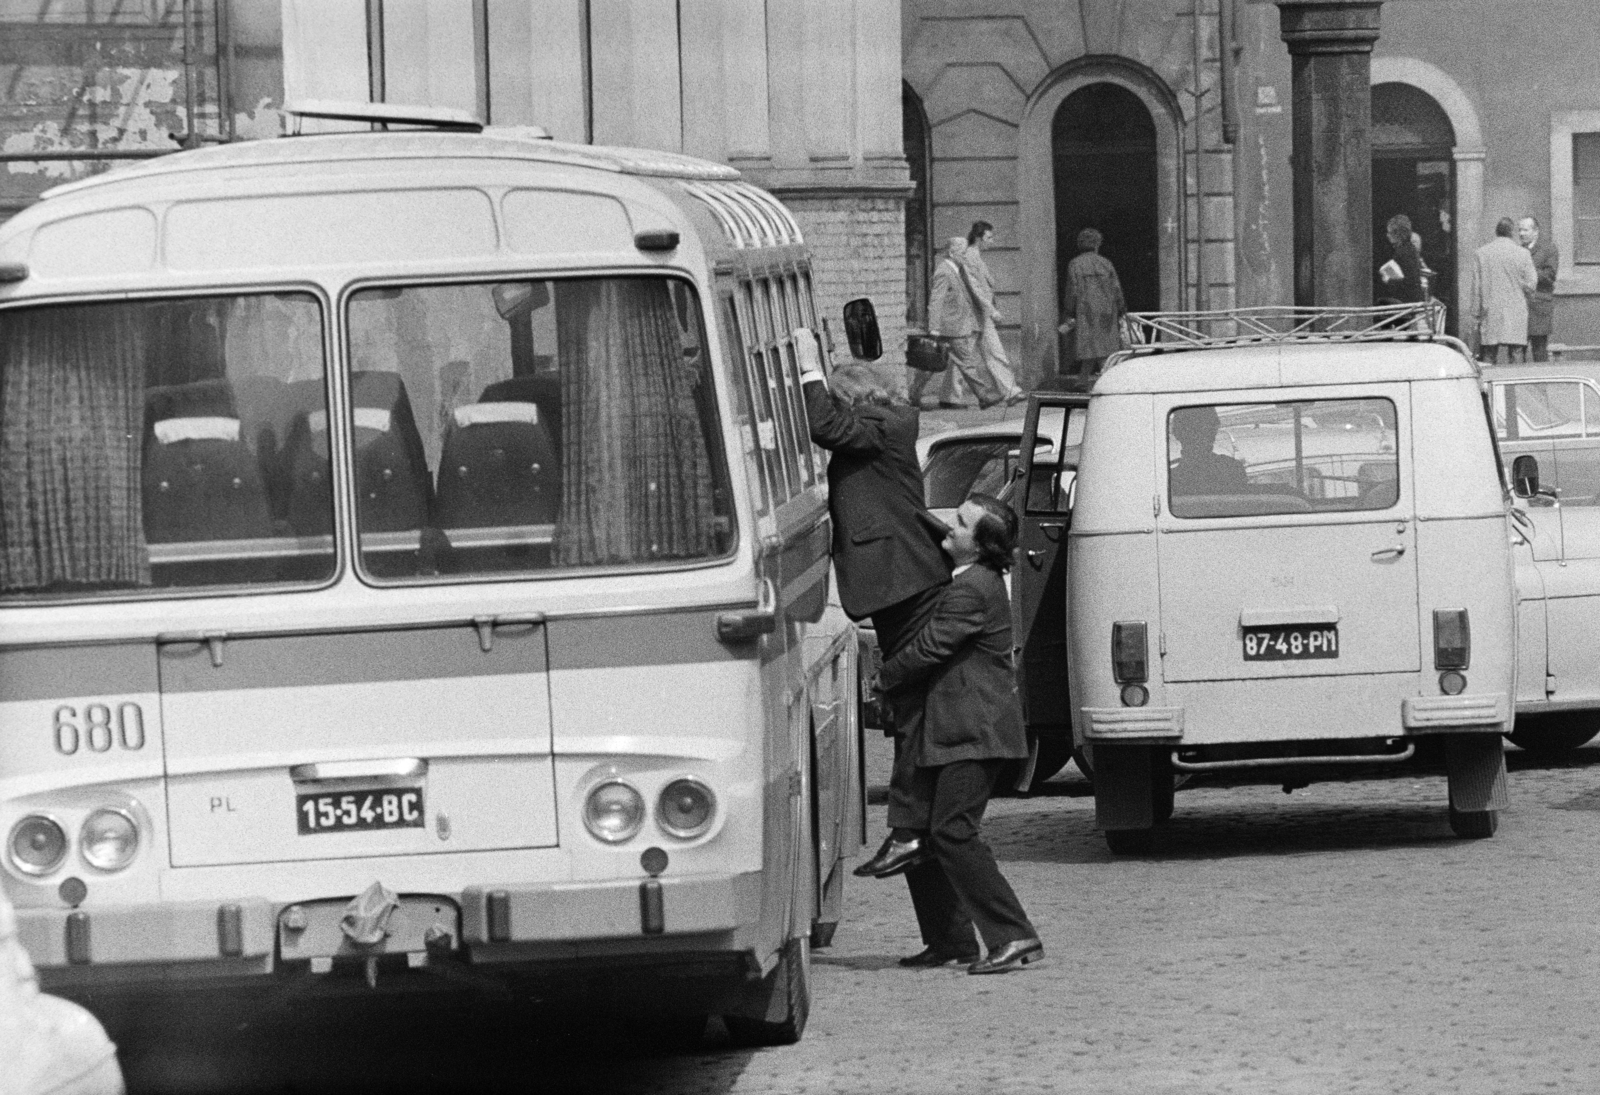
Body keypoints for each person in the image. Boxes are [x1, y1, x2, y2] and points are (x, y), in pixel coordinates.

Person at [877, 492, 1043, 975]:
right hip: (961, 731)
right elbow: (936, 531)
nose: (950, 526)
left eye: (962, 524)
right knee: (934, 832)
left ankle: (1013, 935)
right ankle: (952, 943)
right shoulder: (978, 578)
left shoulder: (972, 589)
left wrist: (883, 676)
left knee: (952, 833)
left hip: (977, 733)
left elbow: (930, 647)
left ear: (980, 544)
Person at [799, 362, 952, 875]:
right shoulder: (881, 427)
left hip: (905, 579)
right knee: (908, 716)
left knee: (912, 715)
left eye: (844, 400)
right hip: (897, 582)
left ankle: (909, 829)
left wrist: (807, 372)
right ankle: (912, 835)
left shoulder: (883, 425)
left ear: (857, 398)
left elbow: (824, 424)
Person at [909, 237, 1007, 410]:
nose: (965, 256)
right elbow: (936, 300)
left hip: (956, 326)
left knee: (930, 365)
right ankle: (983, 397)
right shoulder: (944, 272)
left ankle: (912, 395)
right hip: (951, 327)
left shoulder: (957, 269)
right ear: (952, 253)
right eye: (962, 253)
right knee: (965, 363)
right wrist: (934, 327)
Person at [957, 221, 1026, 406]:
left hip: (980, 314)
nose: (992, 241)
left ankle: (1010, 391)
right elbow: (975, 287)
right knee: (963, 354)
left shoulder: (975, 256)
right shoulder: (970, 256)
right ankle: (949, 396)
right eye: (989, 237)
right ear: (979, 238)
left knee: (988, 352)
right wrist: (991, 310)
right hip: (975, 314)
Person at [1059, 227, 1127, 382]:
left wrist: (1069, 310)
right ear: (1097, 244)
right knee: (1102, 347)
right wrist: (1122, 307)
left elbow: (1072, 290)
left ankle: (1105, 380)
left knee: (1091, 347)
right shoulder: (1106, 263)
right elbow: (1116, 288)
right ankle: (1086, 380)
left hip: (1086, 312)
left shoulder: (1075, 264)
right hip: (1107, 311)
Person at [1472, 216, 1538, 364]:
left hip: (1491, 311)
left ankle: (1490, 386)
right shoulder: (1523, 254)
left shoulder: (1481, 254)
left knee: (1488, 354)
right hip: (1516, 310)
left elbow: (1477, 288)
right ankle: (1516, 386)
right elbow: (1532, 283)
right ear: (1512, 233)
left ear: (1496, 232)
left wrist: (1476, 314)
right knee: (1517, 352)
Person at [1168, 406, 1248, 497]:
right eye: (1211, 429)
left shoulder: (1171, 479)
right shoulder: (1232, 469)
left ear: (1177, 434)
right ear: (1214, 432)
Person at [1519, 215, 1560, 362]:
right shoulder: (1518, 250)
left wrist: (1528, 273)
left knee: (1540, 351)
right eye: (1519, 230)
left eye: (1525, 230)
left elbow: (1550, 275)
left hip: (1539, 306)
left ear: (1536, 231)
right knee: (1518, 351)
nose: (1521, 234)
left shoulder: (1548, 249)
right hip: (1520, 308)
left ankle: (1541, 384)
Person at [1378, 213, 1426, 304]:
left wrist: (1388, 280)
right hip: (1413, 299)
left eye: (1389, 232)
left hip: (1406, 301)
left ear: (1397, 234)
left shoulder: (1402, 253)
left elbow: (1407, 283)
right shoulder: (1410, 249)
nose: (1387, 235)